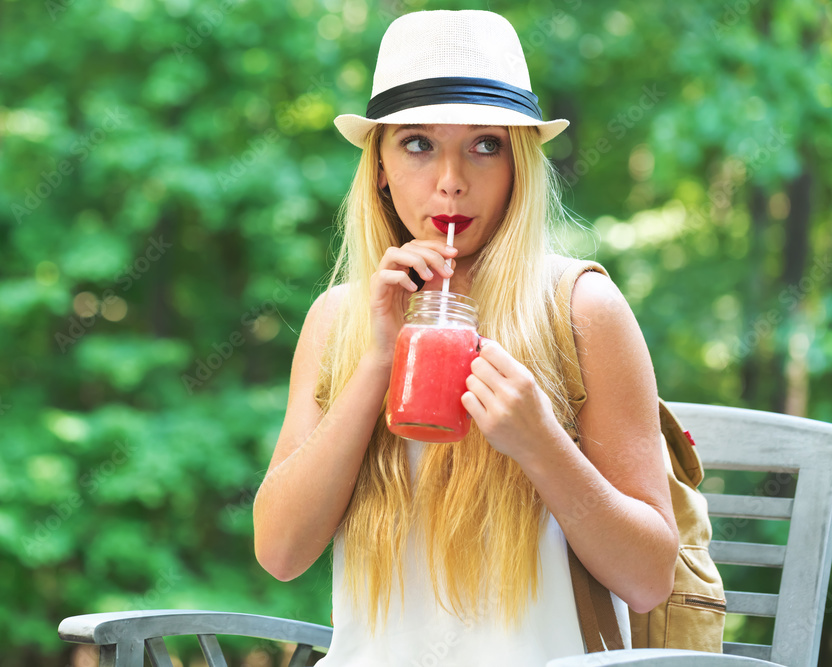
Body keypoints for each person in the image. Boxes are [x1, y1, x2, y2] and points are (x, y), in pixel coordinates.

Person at [252, 10, 679, 665]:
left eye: (486, 144)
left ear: (519, 165)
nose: (451, 179)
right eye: (419, 143)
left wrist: (541, 445)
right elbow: (280, 551)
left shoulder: (581, 308)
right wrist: (376, 363)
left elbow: (650, 580)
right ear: (380, 169)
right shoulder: (338, 319)